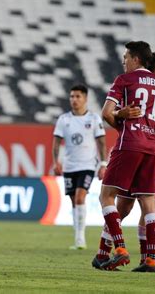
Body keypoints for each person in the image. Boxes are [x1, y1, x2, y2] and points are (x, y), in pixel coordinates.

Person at [93, 52, 155, 272]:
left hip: (130, 146)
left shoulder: (131, 82)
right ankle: (143, 258)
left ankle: (117, 252)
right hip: (149, 149)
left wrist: (121, 120)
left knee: (119, 203)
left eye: (126, 57)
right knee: (139, 205)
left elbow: (108, 113)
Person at [52, 85, 107, 250]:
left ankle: (80, 238)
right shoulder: (64, 119)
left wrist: (103, 164)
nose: (74, 100)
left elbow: (102, 143)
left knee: (80, 198)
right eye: (72, 97)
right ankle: (77, 235)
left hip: (88, 165)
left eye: (77, 96)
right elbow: (56, 143)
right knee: (73, 202)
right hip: (69, 166)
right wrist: (56, 162)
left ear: (85, 98)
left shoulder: (94, 119)